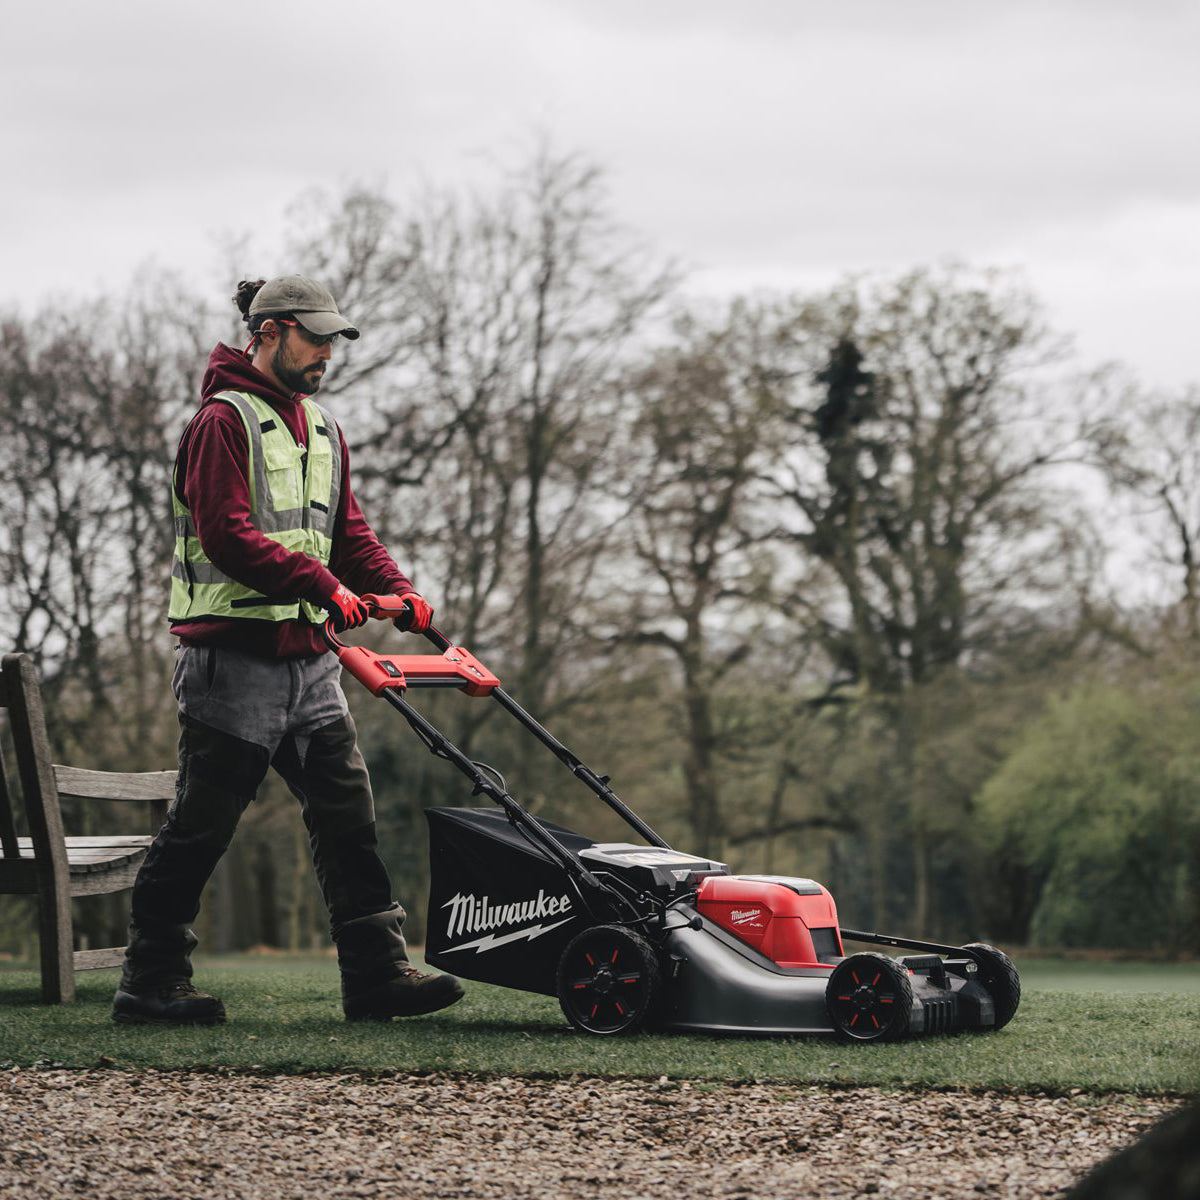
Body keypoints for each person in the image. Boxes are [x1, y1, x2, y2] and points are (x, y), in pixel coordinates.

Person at [112, 275, 464, 1025]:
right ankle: (151, 980)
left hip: (309, 662)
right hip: (232, 661)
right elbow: (225, 533)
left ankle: (375, 977)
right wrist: (321, 583)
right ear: (269, 332)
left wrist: (399, 591)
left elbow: (349, 535)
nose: (328, 353)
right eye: (316, 337)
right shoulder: (222, 422)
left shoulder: (324, 429)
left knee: (348, 815)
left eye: (335, 340)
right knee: (202, 824)